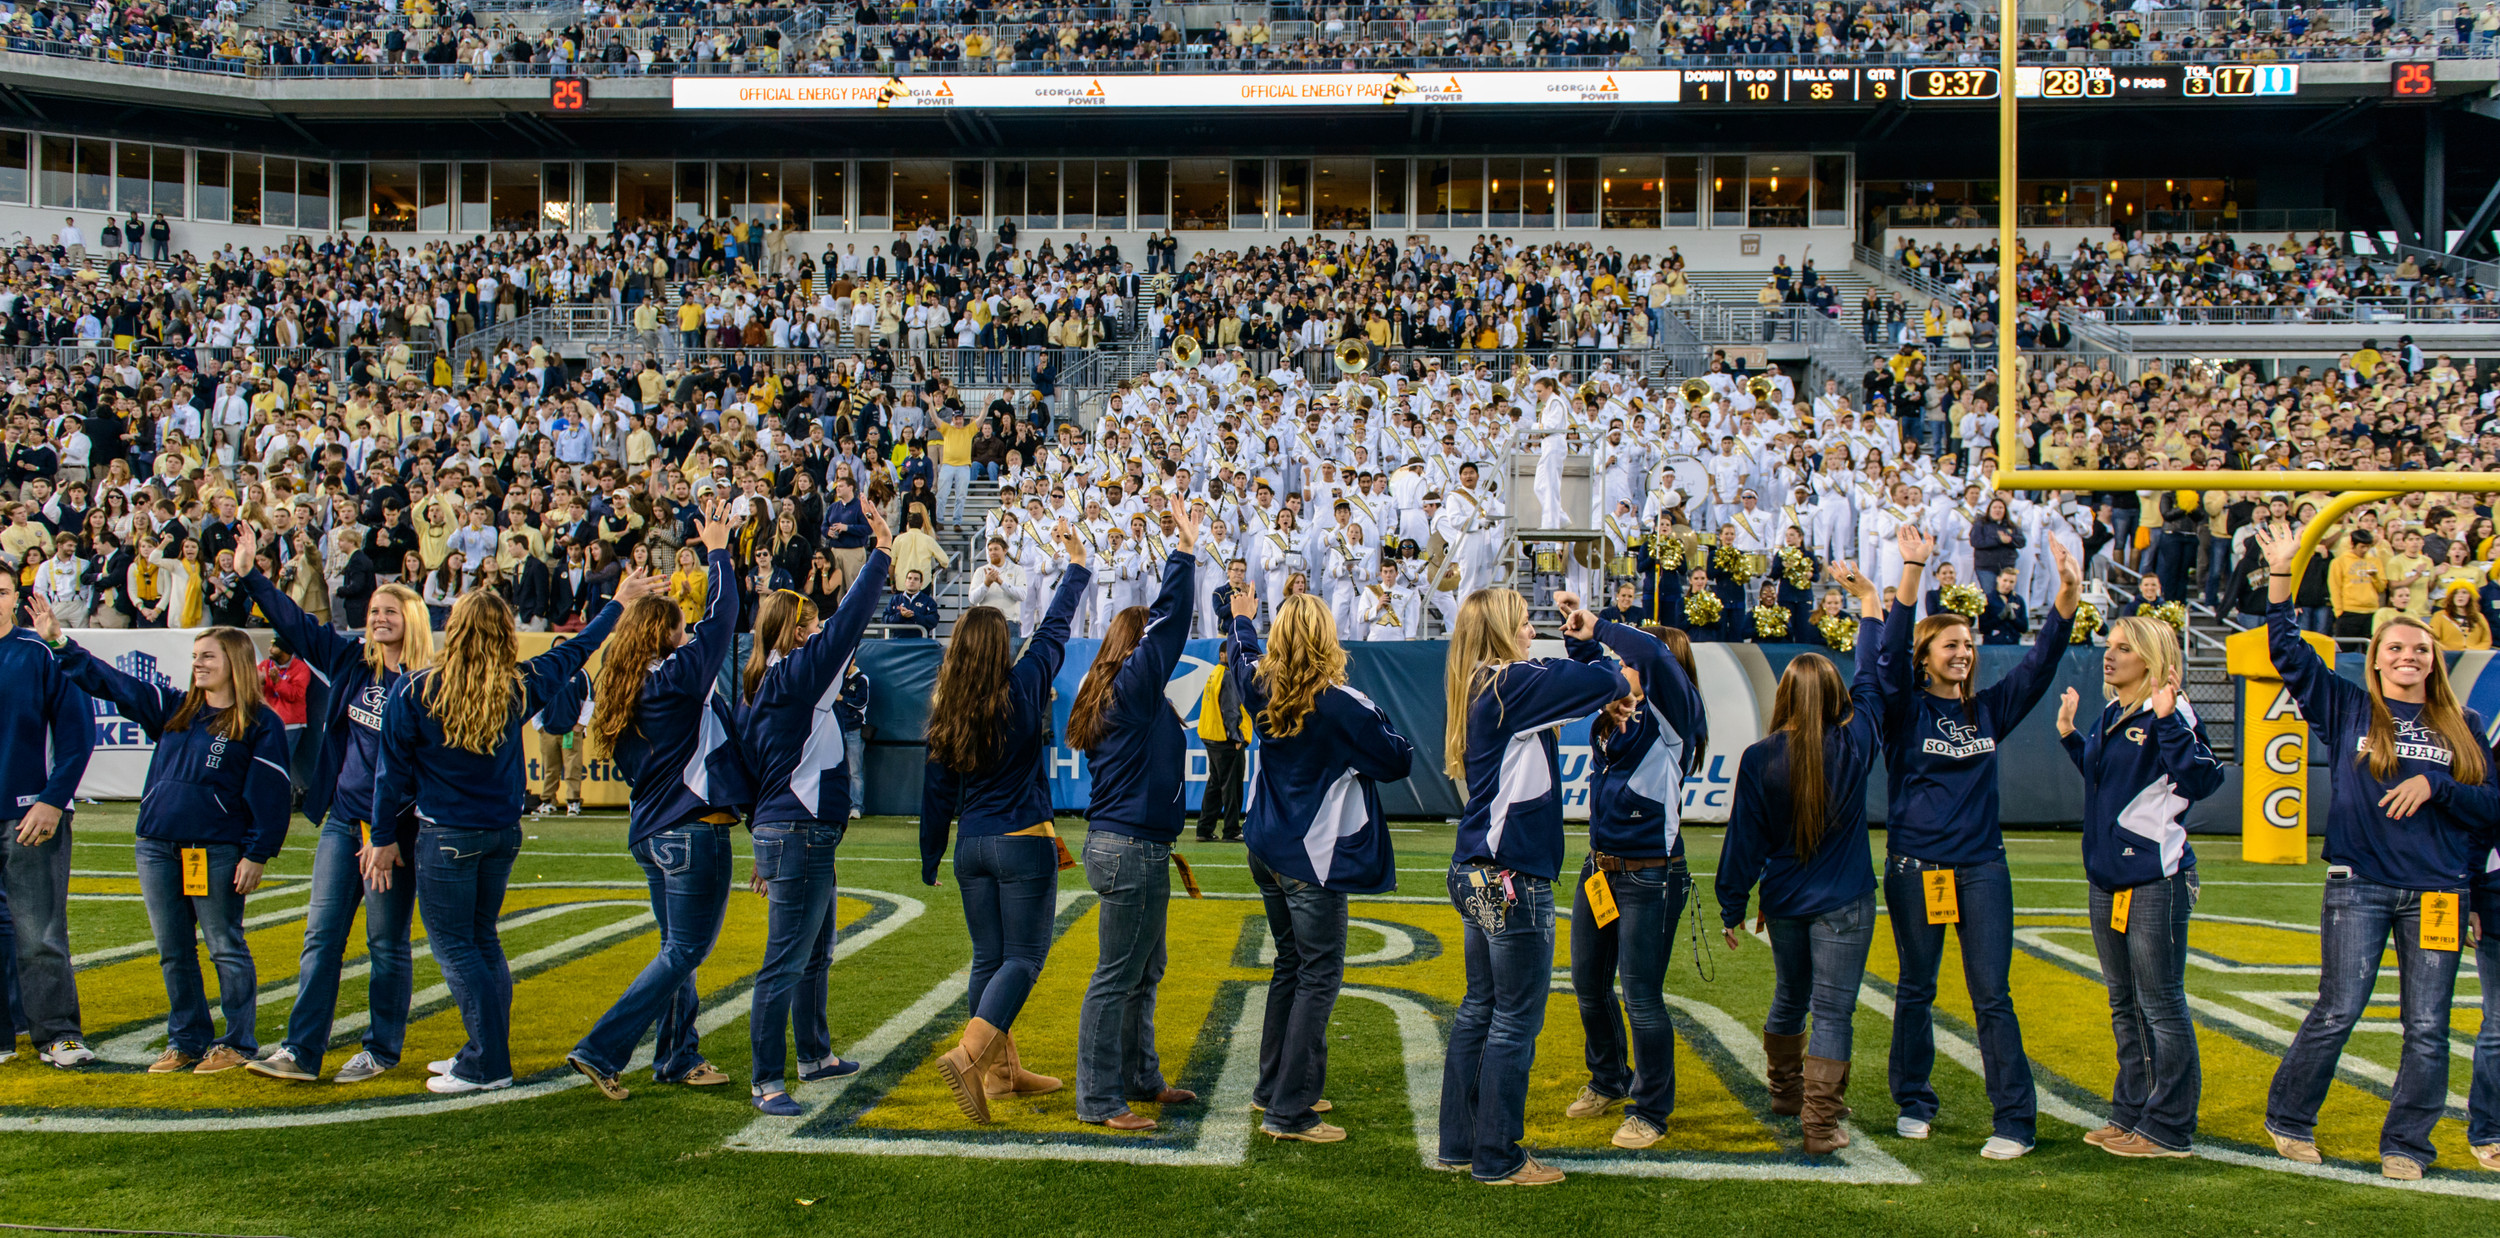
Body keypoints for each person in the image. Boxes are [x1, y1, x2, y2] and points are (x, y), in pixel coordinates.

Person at [2254, 523, 2494, 1181]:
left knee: (2428, 1027)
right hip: (2358, 884)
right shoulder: (2347, 707)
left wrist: (2437, 785)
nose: (2408, 656)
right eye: (2395, 648)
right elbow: (2287, 650)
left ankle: (2407, 1146)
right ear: (2378, 659)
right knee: (2337, 1010)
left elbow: (2490, 810)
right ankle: (2289, 1119)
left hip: (2441, 891)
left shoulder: (2464, 727)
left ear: (2434, 660)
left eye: (2419, 648)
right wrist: (2282, 573)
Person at [369, 566, 664, 1094]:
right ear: (505, 633)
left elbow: (390, 776)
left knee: (457, 948)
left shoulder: (416, 689)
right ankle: (484, 1050)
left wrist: (381, 837)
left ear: (453, 630)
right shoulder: (520, 684)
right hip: (502, 834)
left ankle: (486, 1062)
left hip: (446, 837)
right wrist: (618, 601)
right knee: (482, 941)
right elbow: (581, 647)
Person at [1871, 525, 2080, 1159]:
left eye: (1968, 644)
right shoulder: (1903, 709)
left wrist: (2067, 596)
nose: (1963, 652)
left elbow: (2041, 663)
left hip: (1983, 868)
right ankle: (1914, 1100)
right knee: (1916, 988)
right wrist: (1912, 569)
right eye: (1950, 644)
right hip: (1916, 869)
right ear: (1925, 655)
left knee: (1992, 995)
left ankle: (2015, 1120)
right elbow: (1887, 655)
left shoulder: (1988, 709)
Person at [32, 611, 290, 1074]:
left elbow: (272, 795)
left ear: (235, 661)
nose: (198, 664)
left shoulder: (259, 723)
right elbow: (112, 683)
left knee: (224, 946)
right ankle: (187, 1039)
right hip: (155, 845)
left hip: (214, 849)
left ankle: (237, 1042)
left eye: (208, 656)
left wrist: (257, 853)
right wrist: (61, 644)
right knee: (173, 950)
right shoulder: (175, 708)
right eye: (195, 656)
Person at [1436, 586, 1632, 1185]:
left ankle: (1461, 1143)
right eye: (1523, 623)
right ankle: (1497, 1154)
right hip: (1512, 875)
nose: (1531, 633)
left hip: (1476, 869)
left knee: (1481, 1008)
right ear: (1500, 630)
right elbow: (1608, 679)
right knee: (1515, 1019)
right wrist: (1590, 641)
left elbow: (1583, 696)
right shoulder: (1510, 684)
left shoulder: (1483, 684)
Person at [231, 520, 435, 1085]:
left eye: (390, 611)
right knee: (321, 937)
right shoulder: (351, 663)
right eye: (373, 610)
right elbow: (296, 624)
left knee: (385, 943)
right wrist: (251, 577)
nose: (378, 618)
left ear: (413, 619)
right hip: (343, 822)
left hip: (393, 833)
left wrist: (388, 835)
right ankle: (301, 1051)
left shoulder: (428, 683)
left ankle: (381, 1050)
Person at [567, 502, 749, 1100]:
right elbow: (722, 619)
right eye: (679, 628)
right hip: (690, 827)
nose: (687, 634)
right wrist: (719, 551)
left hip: (649, 831)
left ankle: (677, 1056)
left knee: (677, 953)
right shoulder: (674, 679)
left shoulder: (622, 686)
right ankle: (602, 1048)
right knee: (686, 950)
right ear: (664, 636)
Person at [1714, 559, 1891, 1155]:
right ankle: (1820, 1124)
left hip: (1785, 901)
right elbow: (1873, 675)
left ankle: (1787, 1094)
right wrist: (1869, 604)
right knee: (1833, 1010)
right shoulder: (1856, 740)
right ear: (1837, 696)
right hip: (1845, 901)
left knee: (1790, 996)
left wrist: (1731, 906)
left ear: (1784, 695)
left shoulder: (1761, 756)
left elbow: (1744, 841)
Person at [1225, 587, 1415, 1142]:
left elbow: (1241, 652)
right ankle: (1290, 1109)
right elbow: (1398, 758)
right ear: (1327, 639)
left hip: (1266, 846)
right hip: (1310, 856)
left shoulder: (1260, 683)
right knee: (1318, 975)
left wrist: (1241, 618)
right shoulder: (1342, 703)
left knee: (1291, 965)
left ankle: (1274, 1088)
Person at [917, 520, 1092, 1125]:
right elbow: (1056, 625)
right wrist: (1076, 565)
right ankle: (970, 1056)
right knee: (1023, 958)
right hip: (1021, 840)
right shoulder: (1022, 683)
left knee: (988, 959)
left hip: (971, 845)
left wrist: (931, 853)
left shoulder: (949, 704)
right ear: (999, 648)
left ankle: (1001, 1073)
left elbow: (936, 789)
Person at [737, 503, 895, 1116]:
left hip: (796, 831)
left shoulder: (771, 681)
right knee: (785, 960)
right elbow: (849, 623)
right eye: (809, 623)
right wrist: (880, 555)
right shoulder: (798, 675)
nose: (817, 629)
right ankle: (766, 1080)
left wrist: (760, 838)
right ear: (794, 633)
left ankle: (814, 1054)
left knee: (814, 954)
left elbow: (754, 773)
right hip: (799, 831)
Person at [2054, 615, 2222, 1160]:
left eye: (2125, 648)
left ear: (2151, 658)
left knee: (2161, 1004)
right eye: (2110, 646)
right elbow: (2109, 781)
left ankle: (2169, 1127)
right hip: (2108, 879)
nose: (2111, 655)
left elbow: (2203, 779)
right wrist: (2070, 736)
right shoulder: (2113, 713)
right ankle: (2132, 1113)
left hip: (2155, 878)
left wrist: (2169, 720)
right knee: (2125, 1003)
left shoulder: (2171, 710)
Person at [1063, 496, 1201, 1131]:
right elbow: (1169, 625)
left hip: (1128, 845)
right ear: (1136, 648)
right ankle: (1098, 1097)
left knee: (1143, 970)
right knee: (1118, 976)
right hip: (1131, 849)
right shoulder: (1134, 687)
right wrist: (1184, 552)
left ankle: (1140, 1077)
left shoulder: (1113, 691)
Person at [1555, 604, 1706, 1150]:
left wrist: (1603, 626)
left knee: (1641, 997)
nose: (1622, 665)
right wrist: (1580, 637)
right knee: (1588, 983)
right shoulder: (1619, 706)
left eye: (1629, 661)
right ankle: (1608, 1079)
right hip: (1600, 867)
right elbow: (1592, 667)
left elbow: (1651, 654)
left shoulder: (1673, 716)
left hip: (1650, 876)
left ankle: (1651, 1110)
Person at [0, 570, 97, 1070]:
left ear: (15, 599)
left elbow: (79, 734)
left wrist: (52, 800)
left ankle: (58, 1034)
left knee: (39, 933)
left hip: (28, 816)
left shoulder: (39, 651)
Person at [1194, 628, 1251, 844]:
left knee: (1215, 784)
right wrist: (1236, 737)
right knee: (1232, 787)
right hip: (1226, 739)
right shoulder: (1228, 675)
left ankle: (1204, 828)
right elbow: (1230, 710)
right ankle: (1231, 830)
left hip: (1211, 736)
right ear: (1223, 654)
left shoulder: (1215, 673)